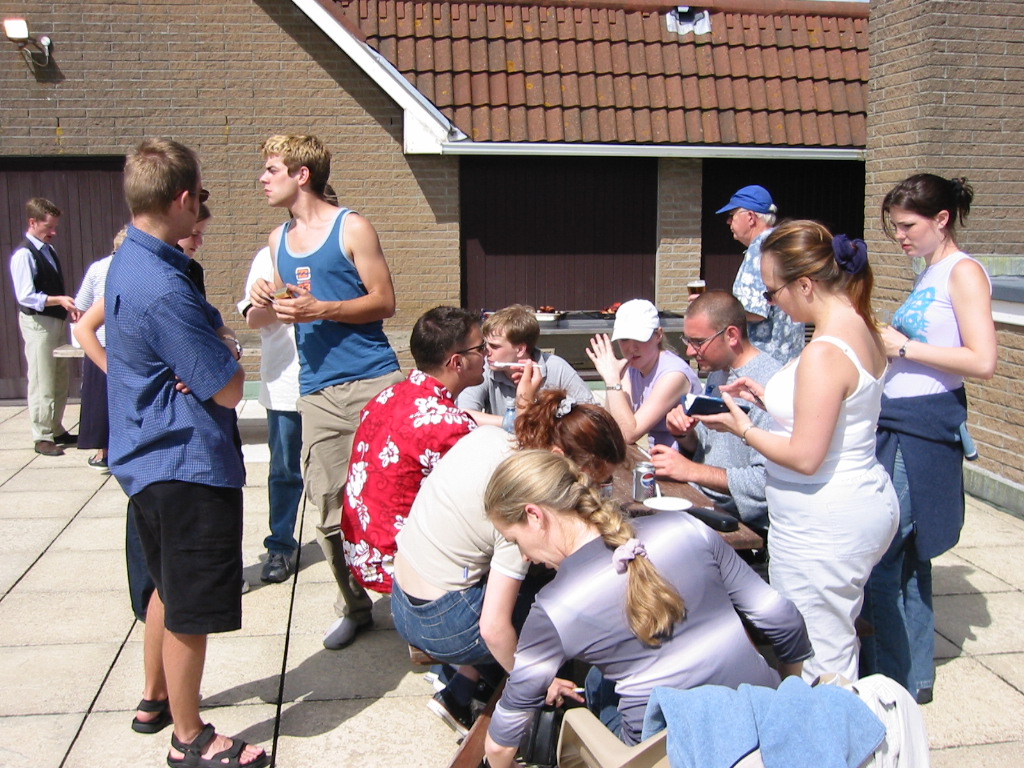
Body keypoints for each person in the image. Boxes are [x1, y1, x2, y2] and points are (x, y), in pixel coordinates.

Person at [481, 450, 812, 764]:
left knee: (593, 694)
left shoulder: (553, 609)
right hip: (759, 716)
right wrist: (785, 693)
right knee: (597, 679)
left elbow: (500, 743)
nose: (524, 556)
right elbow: (782, 618)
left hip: (667, 753)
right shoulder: (686, 527)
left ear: (535, 515)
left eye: (515, 540)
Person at [105, 138, 265, 767]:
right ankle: (190, 737)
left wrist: (208, 340)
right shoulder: (163, 288)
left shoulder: (132, 258)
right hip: (184, 464)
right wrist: (224, 350)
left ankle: (154, 700)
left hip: (148, 459)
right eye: (199, 196)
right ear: (180, 199)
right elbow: (228, 390)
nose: (201, 206)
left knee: (166, 588)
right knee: (190, 608)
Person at [697, 220, 899, 683]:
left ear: (805, 285)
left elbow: (806, 456)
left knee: (818, 659)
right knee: (829, 638)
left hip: (822, 523)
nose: (770, 304)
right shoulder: (861, 326)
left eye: (772, 292)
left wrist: (744, 428)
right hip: (851, 503)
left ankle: (831, 727)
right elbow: (837, 412)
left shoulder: (824, 351)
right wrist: (769, 397)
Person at [391, 386, 627, 735]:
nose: (595, 492)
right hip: (444, 622)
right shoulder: (522, 501)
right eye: (593, 482)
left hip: (402, 600)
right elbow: (493, 628)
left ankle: (464, 686)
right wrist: (537, 681)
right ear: (559, 457)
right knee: (558, 600)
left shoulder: (492, 438)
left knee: (532, 577)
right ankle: (543, 720)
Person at [248, 134, 404, 651]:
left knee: (400, 500)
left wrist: (325, 309)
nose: (263, 179)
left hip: (374, 380)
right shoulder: (277, 240)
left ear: (302, 175)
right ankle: (355, 608)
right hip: (316, 391)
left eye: (272, 169)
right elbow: (287, 306)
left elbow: (385, 302)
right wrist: (267, 299)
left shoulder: (352, 227)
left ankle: (419, 607)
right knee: (329, 511)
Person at [860, 175, 997, 705]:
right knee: (910, 560)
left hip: (921, 431)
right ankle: (913, 679)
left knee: (883, 555)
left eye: (907, 225)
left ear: (942, 219)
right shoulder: (930, 273)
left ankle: (886, 680)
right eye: (895, 227)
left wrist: (902, 347)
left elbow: (982, 361)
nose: (899, 235)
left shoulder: (963, 272)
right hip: (901, 425)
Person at [341, 306, 483, 593]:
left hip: (362, 551)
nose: (487, 355)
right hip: (400, 562)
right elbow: (483, 500)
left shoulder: (387, 396)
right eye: (481, 348)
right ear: (457, 362)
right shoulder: (449, 425)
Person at [649, 290, 781, 534]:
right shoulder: (718, 372)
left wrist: (691, 471)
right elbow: (710, 450)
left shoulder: (770, 386)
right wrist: (684, 435)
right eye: (687, 341)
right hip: (702, 504)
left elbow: (766, 482)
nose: (689, 351)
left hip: (743, 527)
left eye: (698, 342)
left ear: (731, 335)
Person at [238, 245, 304, 584]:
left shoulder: (346, 243)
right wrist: (283, 299)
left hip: (337, 380)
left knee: (343, 469)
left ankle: (351, 543)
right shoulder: (271, 254)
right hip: (285, 382)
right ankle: (280, 545)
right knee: (284, 470)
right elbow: (253, 318)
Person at [8, 197, 79, 456]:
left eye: (55, 227)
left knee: (59, 377)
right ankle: (42, 435)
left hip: (55, 321)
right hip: (38, 323)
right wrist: (58, 300)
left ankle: (56, 428)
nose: (53, 232)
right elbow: (25, 296)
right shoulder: (24, 254)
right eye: (49, 227)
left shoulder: (50, 251)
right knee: (42, 378)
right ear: (32, 222)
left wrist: (65, 306)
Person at [587, 298, 701, 450]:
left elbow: (629, 434)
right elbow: (612, 427)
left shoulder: (673, 375)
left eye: (640, 338)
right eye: (625, 339)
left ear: (658, 335)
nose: (632, 347)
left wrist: (612, 381)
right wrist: (613, 379)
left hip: (690, 459)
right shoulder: (631, 369)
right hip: (658, 456)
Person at [457, 304, 593, 429]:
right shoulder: (485, 367)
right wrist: (511, 422)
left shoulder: (556, 368)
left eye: (494, 346)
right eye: (485, 344)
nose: (486, 351)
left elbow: (591, 416)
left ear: (520, 349)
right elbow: (463, 414)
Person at [714, 185, 805, 364]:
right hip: (788, 359)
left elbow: (756, 311)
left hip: (763, 361)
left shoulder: (761, 249)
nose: (728, 222)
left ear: (750, 217)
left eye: (732, 215)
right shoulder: (783, 243)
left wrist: (713, 311)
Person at [73, 226, 128, 471]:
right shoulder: (134, 268)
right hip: (120, 342)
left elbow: (81, 304)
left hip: (99, 341)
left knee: (100, 400)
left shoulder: (97, 268)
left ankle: (103, 452)